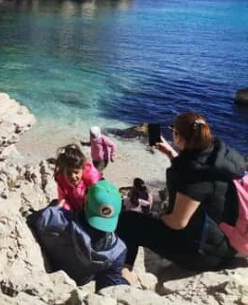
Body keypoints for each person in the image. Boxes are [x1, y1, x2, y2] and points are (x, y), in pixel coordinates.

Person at [117, 112, 246, 274]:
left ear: (178, 136)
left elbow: (178, 223)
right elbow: (200, 175)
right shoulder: (222, 156)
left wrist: (160, 216)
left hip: (204, 255)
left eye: (173, 130)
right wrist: (171, 154)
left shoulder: (192, 176)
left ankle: (123, 273)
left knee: (127, 220)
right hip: (228, 244)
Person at [29, 180, 128, 291]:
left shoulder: (53, 218)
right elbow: (108, 288)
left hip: (51, 269)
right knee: (126, 276)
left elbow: (33, 220)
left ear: (86, 204)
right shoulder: (117, 251)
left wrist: (53, 209)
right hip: (80, 280)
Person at [54, 143, 101, 212]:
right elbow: (63, 198)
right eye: (68, 173)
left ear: (83, 169)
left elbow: (99, 195)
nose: (73, 176)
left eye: (76, 172)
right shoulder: (62, 182)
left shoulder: (92, 180)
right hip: (74, 208)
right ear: (63, 172)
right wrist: (61, 210)